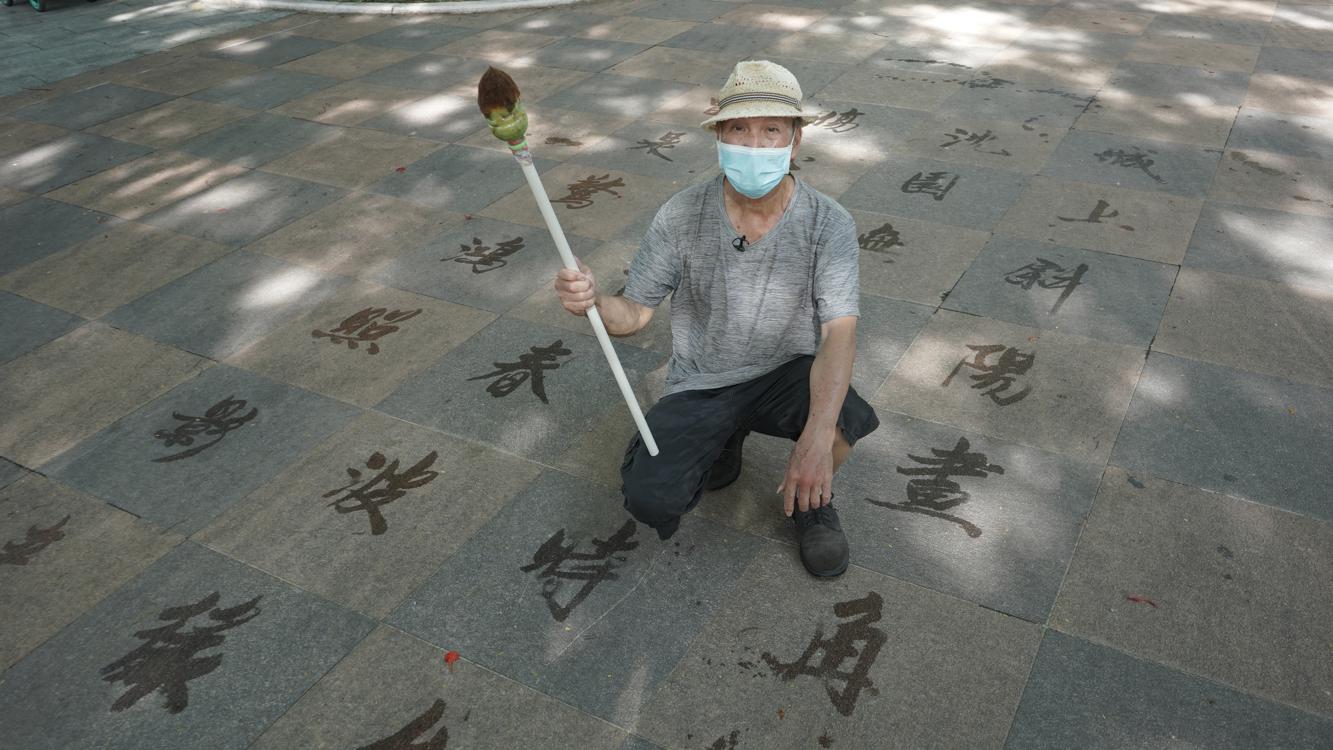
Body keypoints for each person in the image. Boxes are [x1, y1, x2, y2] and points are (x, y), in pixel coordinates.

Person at [553, 60, 879, 578]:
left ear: (795, 141)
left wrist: (816, 439)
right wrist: (593, 300)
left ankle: (812, 501)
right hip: (702, 379)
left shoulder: (828, 223)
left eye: (771, 129)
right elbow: (634, 313)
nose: (754, 144)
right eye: (739, 129)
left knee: (840, 424)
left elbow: (840, 331)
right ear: (719, 138)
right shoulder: (681, 214)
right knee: (651, 497)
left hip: (786, 371)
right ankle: (725, 438)